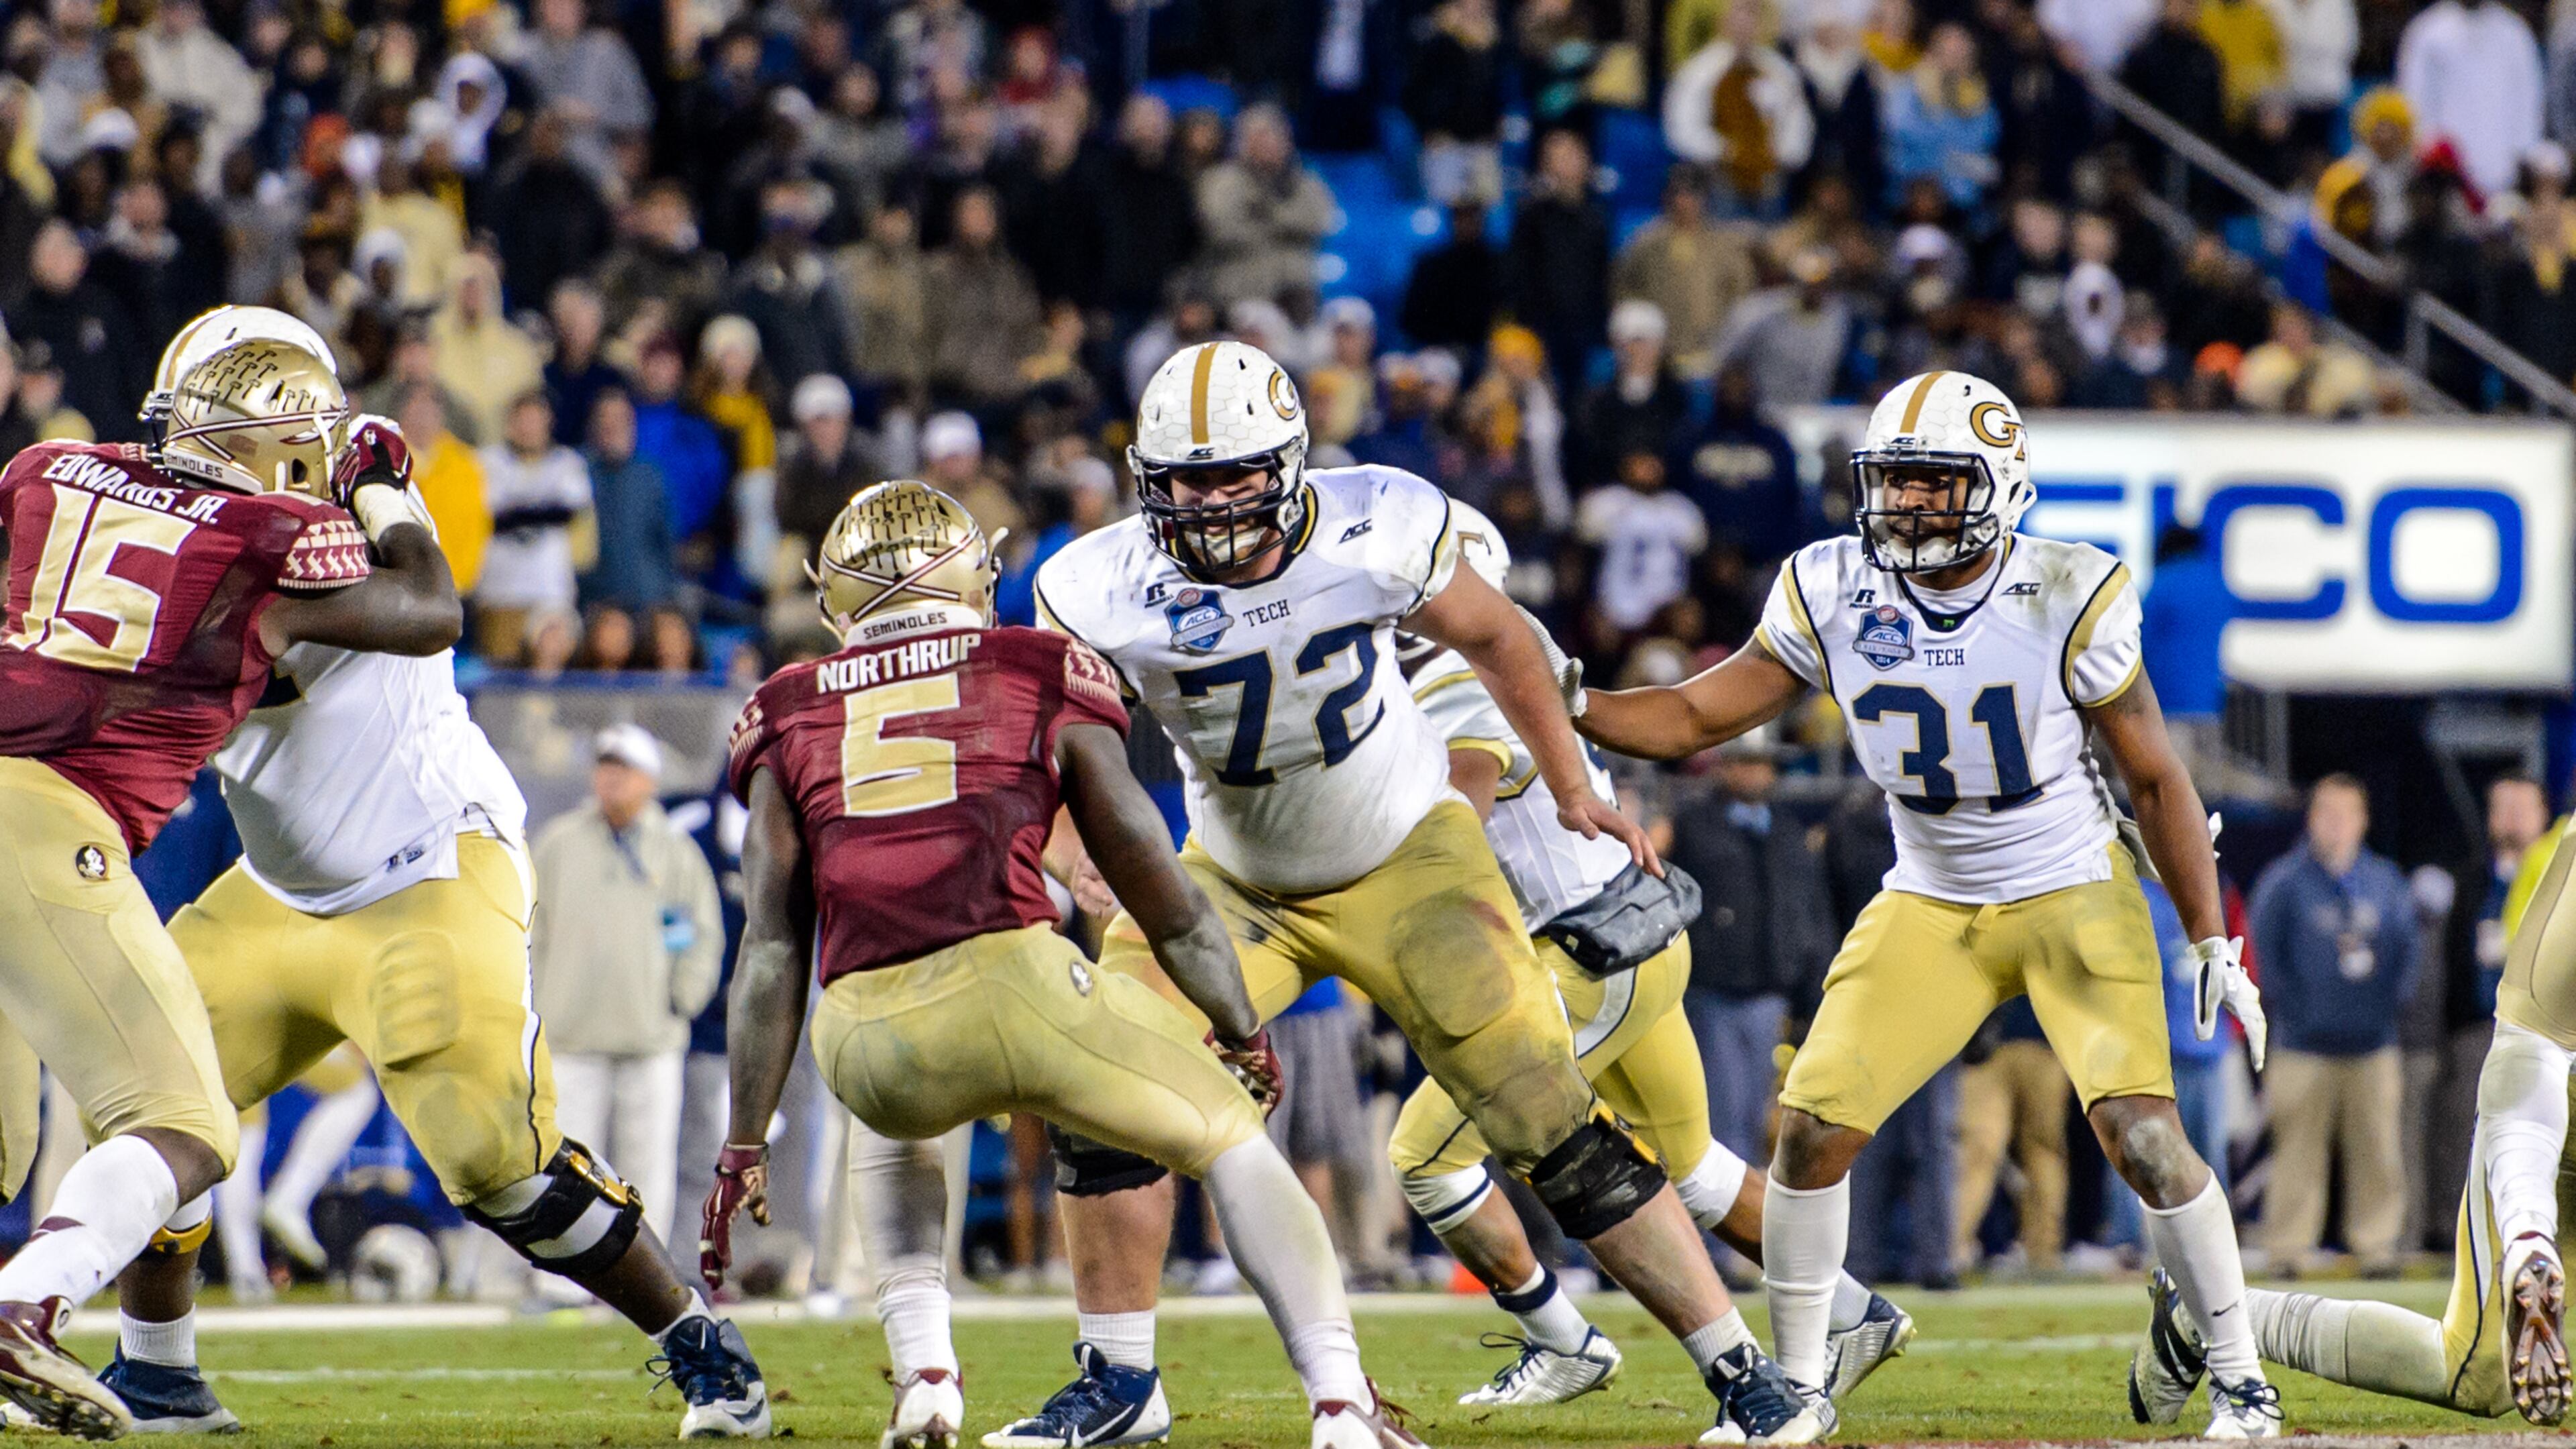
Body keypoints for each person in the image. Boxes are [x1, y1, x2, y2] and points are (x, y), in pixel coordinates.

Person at [1002, 341, 1821, 1448]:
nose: (1209, 502)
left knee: (1544, 1112)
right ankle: (1120, 1380)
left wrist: (1572, 786)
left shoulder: (1376, 519)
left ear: (1289, 463)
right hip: (1234, 881)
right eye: (1186, 480)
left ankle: (1745, 1371)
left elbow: (1500, 640)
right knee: (1105, 1083)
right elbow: (1040, 740)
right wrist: (1064, 843)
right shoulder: (1095, 580)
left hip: (1408, 855)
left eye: (1234, 474)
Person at [1572, 370, 2281, 1440]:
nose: (1904, 506)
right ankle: (1802, 1387)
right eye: (1892, 482)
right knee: (1807, 1134)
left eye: (1932, 484)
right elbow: (1687, 720)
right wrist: (1563, 694)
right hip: (1932, 893)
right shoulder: (1831, 585)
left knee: (2142, 1134)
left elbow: (2155, 777)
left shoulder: (2065, 588)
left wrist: (2207, 934)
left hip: (2067, 884)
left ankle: (2241, 1379)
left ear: (1998, 488)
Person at [96, 312, 768, 1438]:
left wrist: (390, 499)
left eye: (209, 446)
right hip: (279, 886)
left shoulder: (338, 540)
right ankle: (158, 1372)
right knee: (150, 1111)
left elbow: (428, 608)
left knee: (494, 1162)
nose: (178, 471)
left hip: (423, 870)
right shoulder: (226, 537)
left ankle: (701, 1344)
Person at [701, 482, 1421, 1449]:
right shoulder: (1037, 666)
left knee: (893, 1126)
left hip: (860, 1029)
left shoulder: (785, 706)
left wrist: (742, 1142)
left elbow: (774, 946)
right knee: (1229, 1136)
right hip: (1011, 986)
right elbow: (1159, 889)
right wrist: (1243, 1028)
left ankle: (926, 1377)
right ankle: (1342, 1403)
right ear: (973, 576)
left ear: (836, 595)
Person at [0, 322, 462, 1436]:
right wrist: (386, 487)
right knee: (188, 1123)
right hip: (44, 824)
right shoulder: (275, 532)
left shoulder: (48, 467)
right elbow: (430, 608)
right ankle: (21, 1307)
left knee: (2, 1135)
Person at [1388, 514, 1912, 1411]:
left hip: (1584, 948)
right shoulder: (1511, 655)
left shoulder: (1456, 678)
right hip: (1638, 932)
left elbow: (1459, 809)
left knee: (1426, 1157)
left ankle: (1564, 1341)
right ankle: (1854, 1313)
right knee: (1694, 1168)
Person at [2149, 766, 2576, 1426]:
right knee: (2474, 1372)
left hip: (2509, 1079)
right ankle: (2217, 1316)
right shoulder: (2563, 860)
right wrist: (2527, 1235)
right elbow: (2533, 1052)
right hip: (2518, 1088)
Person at [531, 724, 724, 1258]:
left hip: (650, 1038)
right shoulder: (558, 844)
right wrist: (539, 1008)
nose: (612, 779)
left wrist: (680, 999)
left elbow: (702, 934)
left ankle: (645, 1281)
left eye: (624, 770)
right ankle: (564, 1282)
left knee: (646, 1170)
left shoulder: (675, 851)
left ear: (649, 781)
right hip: (572, 1037)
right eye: (605, 767)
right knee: (568, 1167)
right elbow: (528, 932)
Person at [2247, 774, 2417, 1274]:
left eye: (2347, 813)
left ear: (2364, 821)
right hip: (2302, 1043)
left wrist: (2388, 1008)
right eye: (2327, 812)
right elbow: (2263, 953)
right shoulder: (2285, 881)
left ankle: (2377, 1247)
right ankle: (2288, 1249)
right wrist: (2292, 1010)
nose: (2337, 823)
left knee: (2379, 1152)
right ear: (2310, 818)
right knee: (2296, 1152)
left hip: (2373, 1043)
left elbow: (2409, 952)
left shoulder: (2385, 880)